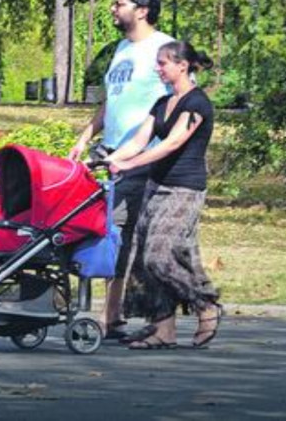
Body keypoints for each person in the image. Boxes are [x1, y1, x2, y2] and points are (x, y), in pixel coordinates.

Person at [67, 0, 174, 342]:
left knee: (120, 232)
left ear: (142, 10)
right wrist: (86, 136)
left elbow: (180, 101)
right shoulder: (123, 49)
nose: (113, 9)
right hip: (108, 150)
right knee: (106, 231)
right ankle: (111, 316)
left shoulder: (164, 48)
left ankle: (111, 315)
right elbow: (112, 100)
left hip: (140, 157)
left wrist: (158, 147)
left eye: (120, 4)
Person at [105, 41, 221, 350]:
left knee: (160, 255)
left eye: (163, 63)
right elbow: (138, 140)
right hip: (156, 186)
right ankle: (164, 330)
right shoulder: (161, 103)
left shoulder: (197, 103)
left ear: (182, 66)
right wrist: (112, 159)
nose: (158, 68)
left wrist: (128, 164)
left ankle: (205, 304)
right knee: (144, 259)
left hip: (184, 188)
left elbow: (171, 144)